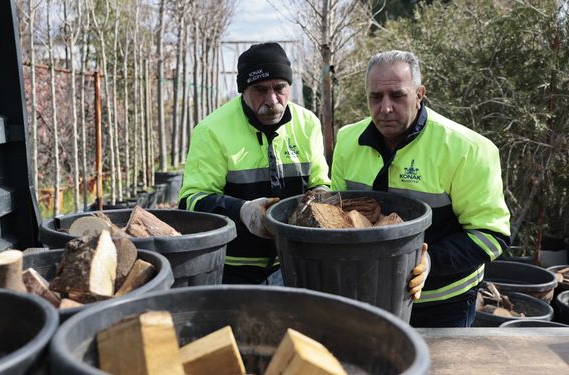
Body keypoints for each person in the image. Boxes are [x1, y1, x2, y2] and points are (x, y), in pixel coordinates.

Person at [331, 50, 511, 327]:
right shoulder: (347, 141)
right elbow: (336, 218)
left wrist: (429, 263)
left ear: (419, 94)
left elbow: (490, 234)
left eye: (397, 95)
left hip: (443, 304)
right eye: (376, 97)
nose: (385, 108)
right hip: (367, 297)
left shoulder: (467, 149)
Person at [178, 42, 331, 284]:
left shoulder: (307, 123)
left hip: (296, 264)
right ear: (243, 90)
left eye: (280, 88)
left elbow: (321, 183)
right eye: (260, 89)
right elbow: (191, 201)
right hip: (232, 269)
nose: (272, 100)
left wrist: (322, 198)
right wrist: (241, 211)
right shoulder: (212, 130)